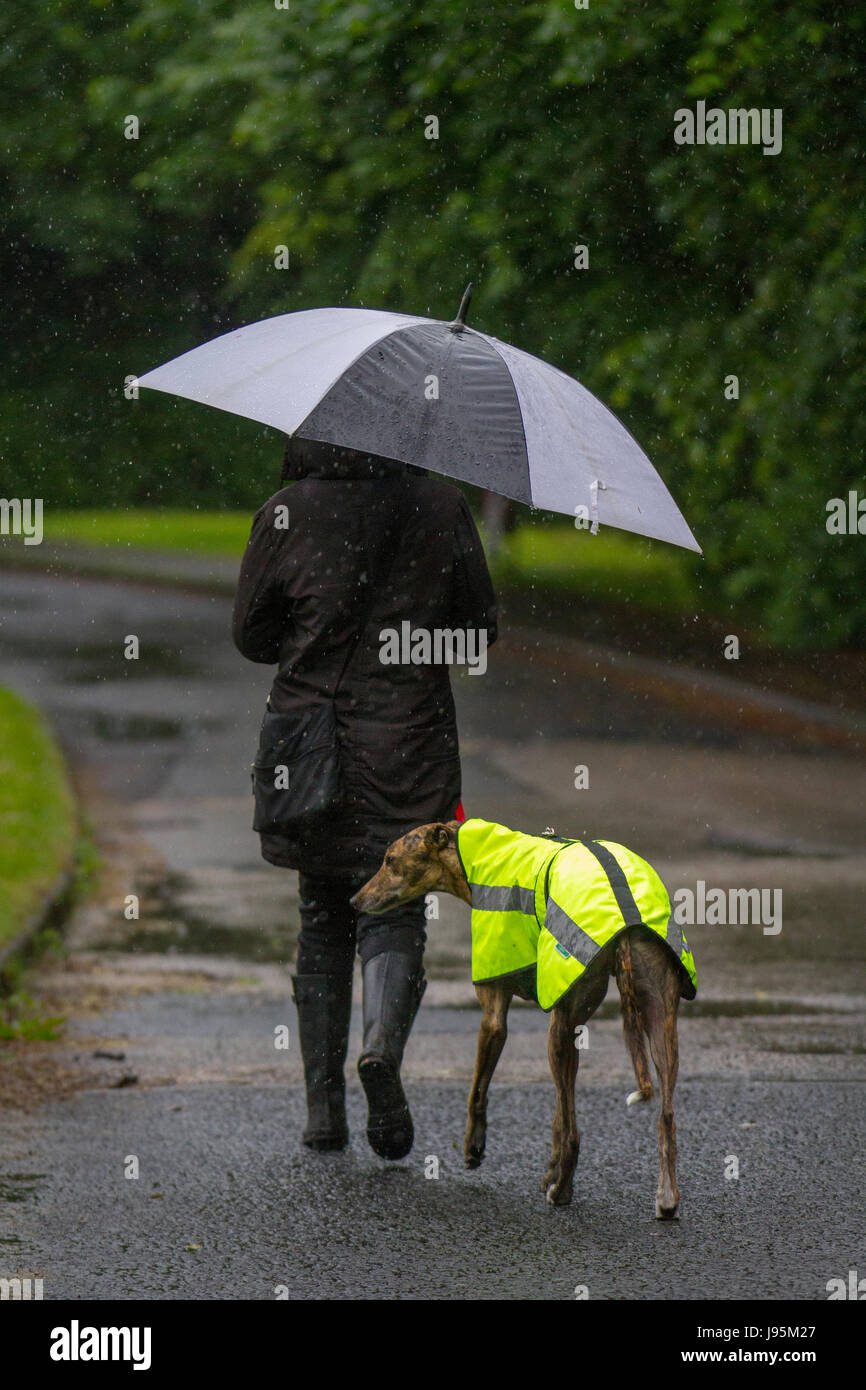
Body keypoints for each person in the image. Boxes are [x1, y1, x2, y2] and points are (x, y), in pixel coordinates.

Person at [232, 437, 497, 1160]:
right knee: (396, 909)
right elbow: (478, 634)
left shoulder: (287, 512)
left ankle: (324, 1112)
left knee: (322, 912)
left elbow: (250, 635)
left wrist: (313, 636)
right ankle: (380, 1049)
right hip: (407, 742)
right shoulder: (441, 506)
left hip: (310, 744)